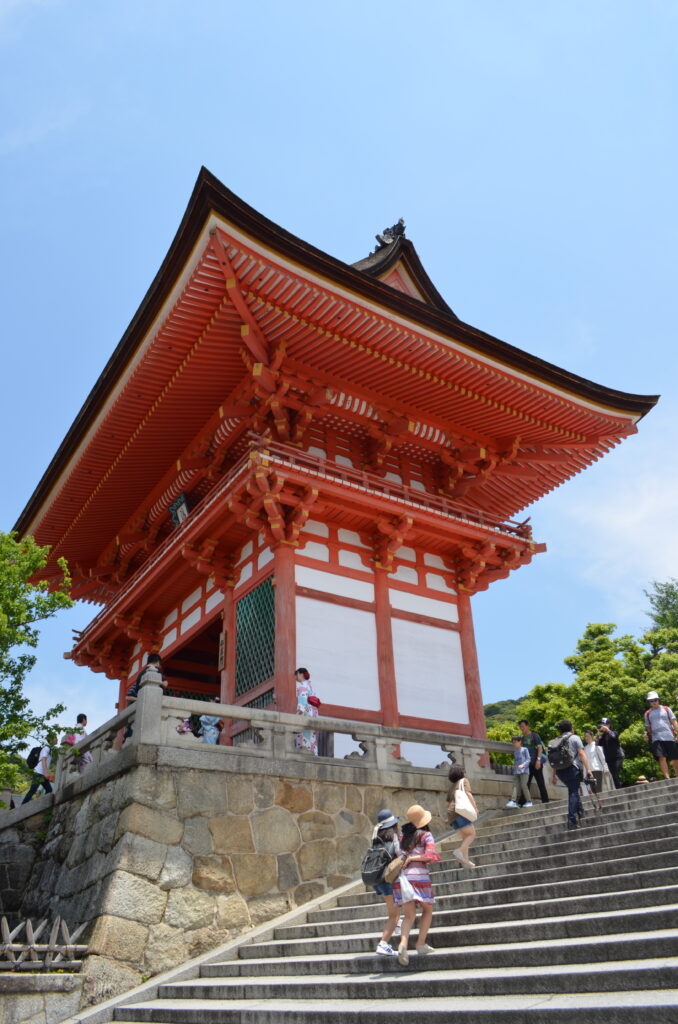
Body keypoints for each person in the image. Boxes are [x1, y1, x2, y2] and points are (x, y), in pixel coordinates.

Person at [392, 804, 441, 965]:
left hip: (403, 880)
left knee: (409, 915)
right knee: (427, 909)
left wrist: (409, 857)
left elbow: (399, 855)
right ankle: (420, 943)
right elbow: (430, 855)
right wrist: (415, 858)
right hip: (420, 878)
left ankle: (403, 944)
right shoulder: (426, 835)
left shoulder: (402, 838)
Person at [548, 720, 594, 831]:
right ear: (571, 729)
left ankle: (580, 810)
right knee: (573, 792)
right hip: (572, 768)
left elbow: (553, 760)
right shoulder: (574, 738)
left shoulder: (555, 741)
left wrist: (553, 775)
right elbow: (582, 754)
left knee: (573, 790)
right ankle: (571, 820)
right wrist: (589, 770)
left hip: (560, 771)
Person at [369, 809, 402, 957]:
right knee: (393, 916)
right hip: (388, 880)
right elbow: (400, 856)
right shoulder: (393, 837)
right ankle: (383, 944)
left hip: (377, 880)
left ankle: (398, 925)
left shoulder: (376, 838)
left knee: (394, 913)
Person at [124, 653, 165, 740]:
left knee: (133, 728)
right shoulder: (156, 670)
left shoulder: (140, 674)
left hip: (139, 709)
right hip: (150, 705)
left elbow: (128, 696)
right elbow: (165, 684)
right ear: (158, 662)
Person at [447, 764, 479, 868]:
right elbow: (468, 794)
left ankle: (466, 860)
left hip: (451, 814)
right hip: (460, 812)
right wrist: (475, 807)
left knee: (465, 837)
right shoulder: (463, 781)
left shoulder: (452, 786)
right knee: (472, 834)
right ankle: (459, 851)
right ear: (461, 773)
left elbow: (446, 803)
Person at [643, 691, 678, 780]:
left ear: (658, 700)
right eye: (651, 700)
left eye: (655, 699)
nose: (654, 702)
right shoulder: (647, 713)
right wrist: (646, 734)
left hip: (669, 736)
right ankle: (667, 778)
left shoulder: (666, 709)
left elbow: (674, 722)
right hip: (656, 738)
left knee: (675, 757)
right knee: (661, 757)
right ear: (649, 702)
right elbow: (648, 728)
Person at [518, 718, 549, 804]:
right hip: (527, 764)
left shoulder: (534, 735)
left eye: (523, 726)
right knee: (525, 783)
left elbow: (540, 748)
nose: (522, 728)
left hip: (536, 762)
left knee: (540, 782)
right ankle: (522, 802)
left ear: (527, 726)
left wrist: (538, 760)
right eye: (520, 727)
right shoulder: (522, 739)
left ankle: (545, 801)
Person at [21, 733, 57, 803]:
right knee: (33, 790)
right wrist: (46, 773)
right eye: (55, 738)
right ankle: (22, 806)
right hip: (38, 773)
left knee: (49, 790)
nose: (57, 739)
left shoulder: (50, 749)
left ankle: (43, 804)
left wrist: (45, 773)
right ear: (51, 739)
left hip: (42, 774)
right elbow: (43, 761)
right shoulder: (46, 748)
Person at [294, 667, 318, 755]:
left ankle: (304, 752)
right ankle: (313, 752)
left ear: (301, 674)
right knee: (312, 735)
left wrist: (300, 712)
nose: (296, 677)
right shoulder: (310, 686)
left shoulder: (302, 687)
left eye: (296, 675)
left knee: (303, 734)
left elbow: (302, 700)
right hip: (313, 712)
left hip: (306, 713)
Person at [506, 735, 532, 808]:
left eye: (515, 742)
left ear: (520, 741)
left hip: (524, 771)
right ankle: (513, 801)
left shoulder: (524, 749)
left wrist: (523, 765)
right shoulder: (515, 752)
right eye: (513, 742)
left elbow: (528, 759)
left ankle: (529, 801)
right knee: (515, 785)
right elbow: (516, 762)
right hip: (517, 771)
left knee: (524, 785)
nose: (514, 744)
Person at [596, 717, 623, 788]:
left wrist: (607, 730)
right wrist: (598, 732)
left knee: (615, 774)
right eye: (602, 724)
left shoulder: (614, 732)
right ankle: (618, 789)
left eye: (604, 724)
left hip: (617, 757)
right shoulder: (603, 736)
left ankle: (620, 788)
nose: (603, 726)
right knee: (614, 776)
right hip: (609, 759)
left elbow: (614, 736)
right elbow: (597, 743)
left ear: (609, 725)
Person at [582, 728, 608, 794]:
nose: (586, 738)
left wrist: (606, 769)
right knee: (593, 790)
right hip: (589, 771)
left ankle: (601, 802)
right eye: (585, 736)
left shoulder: (597, 745)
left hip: (597, 769)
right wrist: (584, 773)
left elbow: (602, 757)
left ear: (592, 736)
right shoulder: (585, 748)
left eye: (587, 736)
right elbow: (584, 761)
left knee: (598, 788)